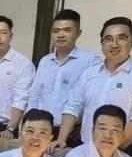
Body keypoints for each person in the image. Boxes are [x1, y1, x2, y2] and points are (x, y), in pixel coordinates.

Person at [55, 16, 132, 157]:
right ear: (102, 43)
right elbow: (73, 106)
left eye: (121, 38)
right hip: (85, 149)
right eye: (108, 39)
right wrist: (61, 139)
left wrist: (111, 151)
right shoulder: (89, 74)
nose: (114, 44)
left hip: (122, 151)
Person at [30, 9, 101, 140]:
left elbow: (94, 100)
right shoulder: (45, 61)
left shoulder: (91, 62)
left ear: (78, 33)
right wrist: (28, 123)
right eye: (56, 31)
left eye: (67, 30)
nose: (60, 35)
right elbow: (35, 95)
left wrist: (83, 127)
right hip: (41, 130)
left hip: (73, 133)